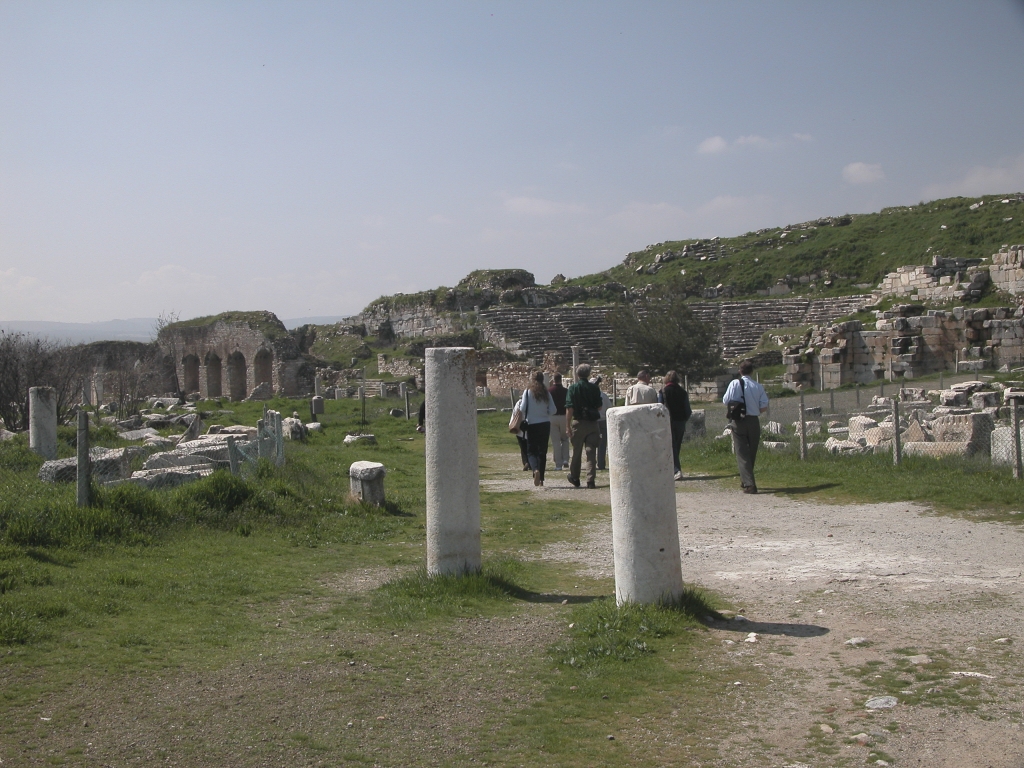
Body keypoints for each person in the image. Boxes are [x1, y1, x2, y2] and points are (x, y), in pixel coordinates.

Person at [722, 359, 769, 494]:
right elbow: (764, 406)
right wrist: (753, 410)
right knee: (751, 452)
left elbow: (725, 400)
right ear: (752, 371)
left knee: (742, 453)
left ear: (740, 371)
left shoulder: (734, 384)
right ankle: (747, 479)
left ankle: (749, 483)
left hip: (738, 420)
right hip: (753, 420)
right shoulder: (758, 386)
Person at [565, 363, 603, 489]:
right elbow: (599, 406)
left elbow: (569, 409)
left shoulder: (573, 388)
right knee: (591, 451)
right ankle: (590, 479)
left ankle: (575, 477)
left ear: (577, 374)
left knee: (577, 451)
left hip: (579, 422)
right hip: (592, 423)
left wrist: (568, 426)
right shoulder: (594, 388)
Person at [518, 371, 558, 486]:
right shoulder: (546, 393)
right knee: (542, 452)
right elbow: (553, 410)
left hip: (532, 424)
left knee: (531, 451)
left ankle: (535, 469)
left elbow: (522, 408)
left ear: (532, 379)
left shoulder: (527, 392)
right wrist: (545, 412)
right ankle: (541, 480)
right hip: (545, 423)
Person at [660, 370, 692, 481]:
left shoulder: (663, 391)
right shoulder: (683, 392)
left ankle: (675, 470)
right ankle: (674, 469)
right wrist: (683, 420)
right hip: (680, 422)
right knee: (676, 446)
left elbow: (660, 408)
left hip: (667, 422)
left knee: (670, 446)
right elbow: (688, 410)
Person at [548, 373, 570, 470]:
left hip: (553, 417)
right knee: (565, 439)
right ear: (561, 380)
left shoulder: (549, 391)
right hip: (564, 416)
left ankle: (558, 464)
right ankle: (565, 459)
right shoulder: (566, 391)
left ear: (553, 380)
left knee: (556, 441)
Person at [593, 375, 612, 471]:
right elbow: (610, 408)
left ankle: (592, 463)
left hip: (592, 421)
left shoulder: (589, 396)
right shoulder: (603, 396)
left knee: (591, 443)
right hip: (603, 420)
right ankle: (601, 463)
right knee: (602, 443)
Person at [509, 396, 531, 471]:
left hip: (520, 426)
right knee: (531, 446)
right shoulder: (533, 402)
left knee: (523, 447)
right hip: (531, 426)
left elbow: (514, 413)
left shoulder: (519, 403)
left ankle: (525, 462)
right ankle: (531, 462)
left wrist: (512, 424)